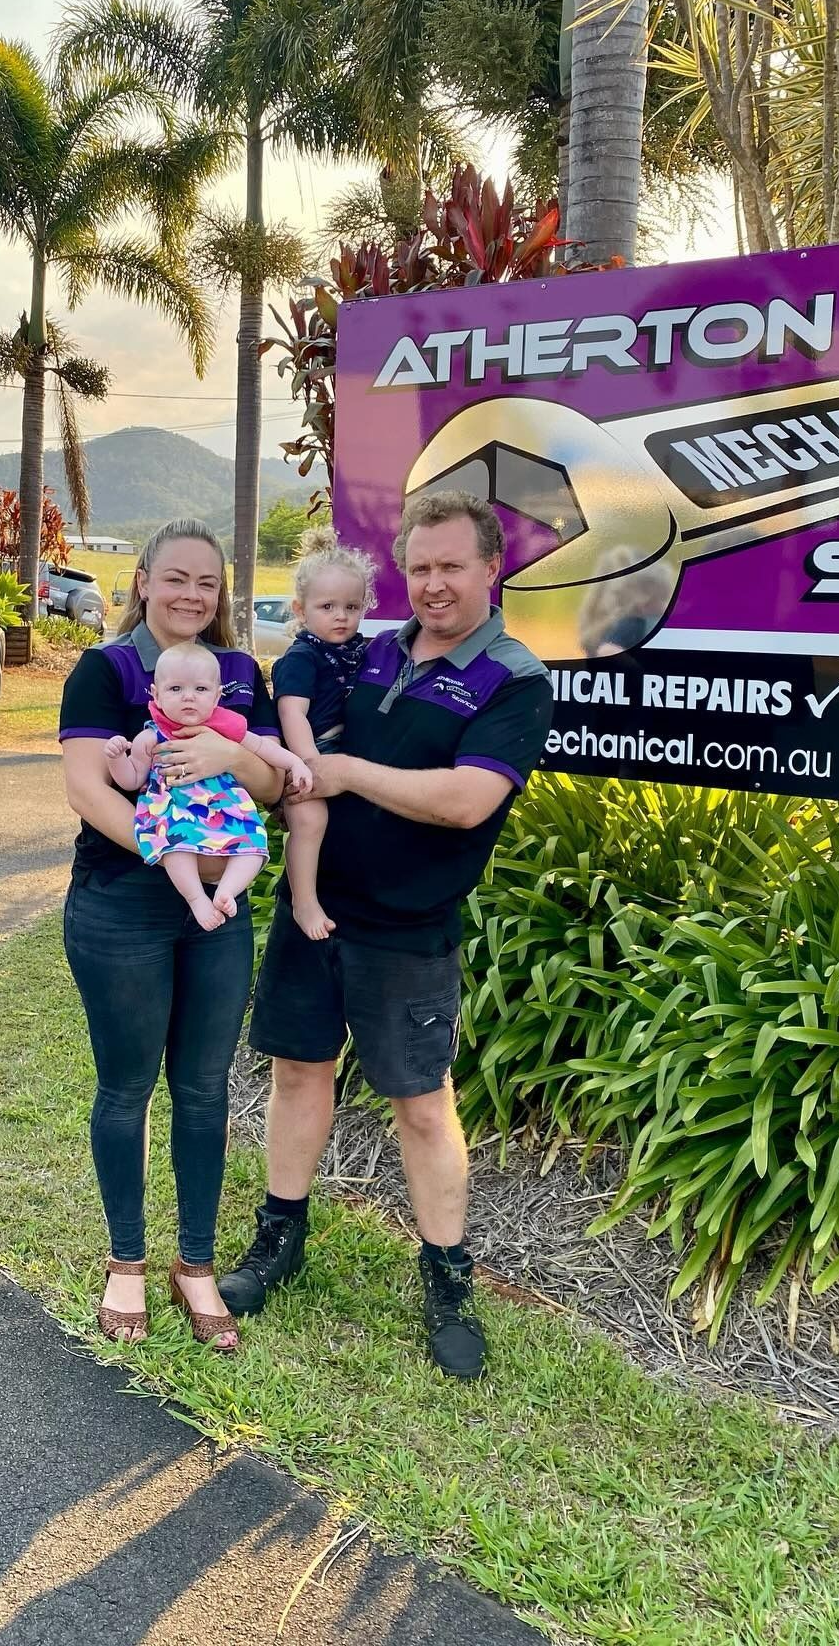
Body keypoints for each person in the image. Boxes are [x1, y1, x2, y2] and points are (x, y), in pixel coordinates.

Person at [219, 489, 554, 1379]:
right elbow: (289, 739)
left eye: (452, 566)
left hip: (409, 930)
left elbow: (466, 800)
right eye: (420, 567)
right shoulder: (364, 652)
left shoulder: (513, 678)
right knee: (298, 1071)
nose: (434, 584)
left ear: (492, 569)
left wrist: (348, 771)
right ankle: (279, 1237)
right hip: (313, 909)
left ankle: (448, 1278)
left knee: (420, 1103)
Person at [58, 519, 286, 1353]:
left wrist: (231, 761)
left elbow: (264, 785)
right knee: (126, 1089)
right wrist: (168, 851)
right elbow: (89, 789)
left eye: (208, 583)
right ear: (144, 581)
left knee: (203, 1089)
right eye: (177, 578)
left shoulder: (237, 676)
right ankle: (127, 1259)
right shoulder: (105, 670)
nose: (194, 596)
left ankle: (195, 1263)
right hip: (122, 905)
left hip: (217, 911)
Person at [105, 642, 311, 931]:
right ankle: (196, 898)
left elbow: (264, 747)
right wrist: (116, 759)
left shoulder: (227, 726)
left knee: (253, 844)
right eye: (176, 689)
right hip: (175, 808)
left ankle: (228, 889)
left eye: (200, 690)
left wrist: (295, 764)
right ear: (157, 695)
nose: (188, 697)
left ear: (216, 696)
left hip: (225, 806)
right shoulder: (151, 737)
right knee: (175, 847)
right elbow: (132, 779)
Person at [271, 526, 375, 942]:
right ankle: (303, 900)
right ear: (301, 609)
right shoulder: (301, 657)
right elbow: (292, 713)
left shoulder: (361, 650)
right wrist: (307, 765)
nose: (341, 616)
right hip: (308, 753)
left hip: (347, 752)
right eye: (327, 606)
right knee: (309, 818)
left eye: (352, 606)